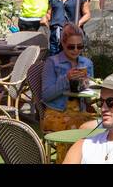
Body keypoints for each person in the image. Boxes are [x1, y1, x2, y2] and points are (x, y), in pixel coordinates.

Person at [41, 25, 96, 159]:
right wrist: (66, 79)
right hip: (56, 112)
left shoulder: (86, 63)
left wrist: (88, 85)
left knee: (99, 127)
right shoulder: (52, 63)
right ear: (63, 44)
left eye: (80, 46)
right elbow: (46, 95)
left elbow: (89, 97)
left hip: (81, 111)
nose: (76, 50)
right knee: (75, 126)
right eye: (71, 46)